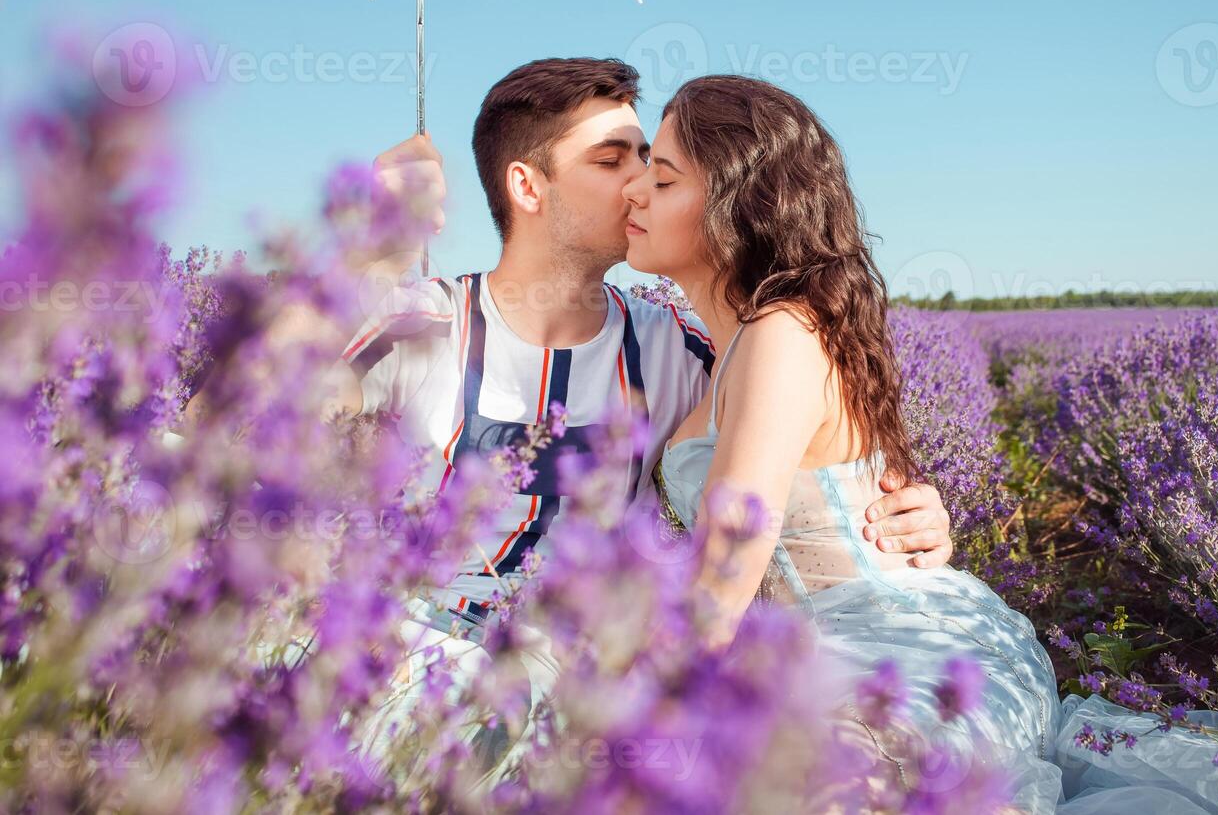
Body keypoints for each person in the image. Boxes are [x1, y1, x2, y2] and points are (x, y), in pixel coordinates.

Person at [621, 75, 1218, 814]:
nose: (636, 192)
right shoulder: (730, 347)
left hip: (903, 657)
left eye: (662, 177)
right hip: (831, 647)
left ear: (742, 204)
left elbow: (727, 567)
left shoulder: (781, 336)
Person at [224, 58, 954, 769]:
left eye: (650, 162)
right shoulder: (425, 320)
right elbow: (225, 431)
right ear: (527, 186)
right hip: (414, 661)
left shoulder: (677, 344)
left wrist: (908, 513)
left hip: (585, 678)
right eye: (611, 162)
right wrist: (362, 254)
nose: (640, 182)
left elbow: (809, 444)